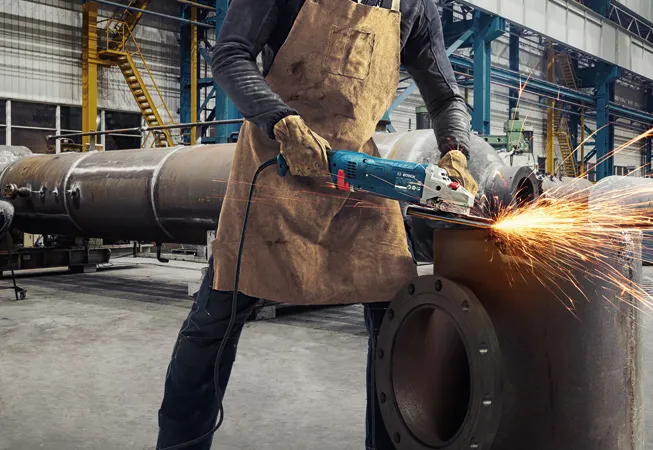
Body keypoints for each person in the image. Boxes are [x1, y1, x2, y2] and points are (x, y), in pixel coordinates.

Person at [156, 0, 477, 448]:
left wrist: (456, 150)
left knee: (395, 322)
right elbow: (230, 54)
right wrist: (281, 122)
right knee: (215, 319)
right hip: (275, 164)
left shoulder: (415, 7)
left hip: (357, 176)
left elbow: (445, 96)